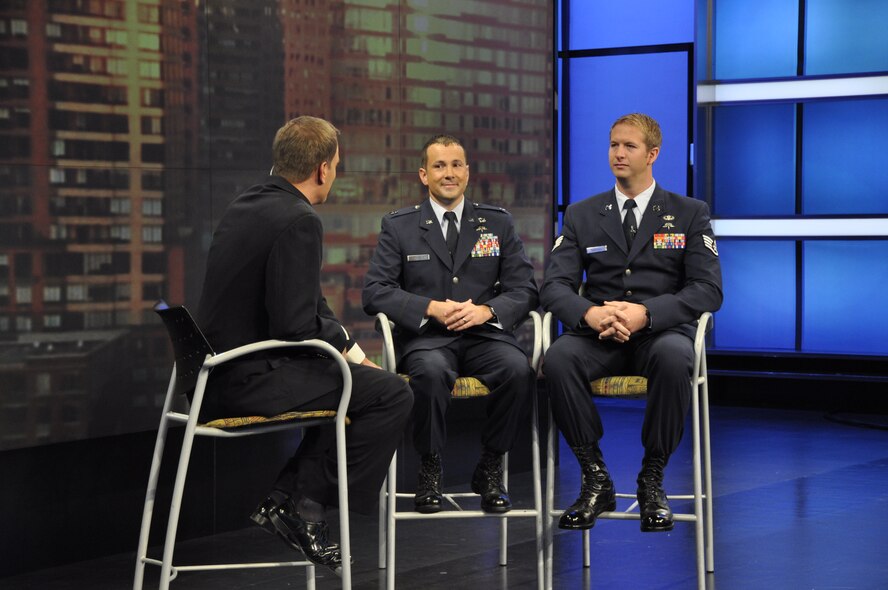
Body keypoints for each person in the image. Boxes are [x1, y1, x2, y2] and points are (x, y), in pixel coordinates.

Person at [196, 116, 413, 571]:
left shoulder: (248, 203)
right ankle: (304, 505)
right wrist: (351, 364)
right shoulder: (299, 220)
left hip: (213, 376)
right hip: (247, 381)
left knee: (344, 379)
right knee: (391, 393)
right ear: (322, 170)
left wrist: (353, 355)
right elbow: (296, 326)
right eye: (336, 164)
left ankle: (287, 501)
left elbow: (312, 305)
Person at [540, 113, 722, 533]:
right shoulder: (583, 215)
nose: (618, 153)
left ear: (652, 154)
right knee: (558, 358)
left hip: (659, 335)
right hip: (599, 335)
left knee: (677, 357)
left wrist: (647, 313)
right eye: (613, 145)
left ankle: (652, 478)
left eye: (629, 146)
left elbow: (707, 289)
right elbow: (554, 287)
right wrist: (590, 313)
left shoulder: (690, 213)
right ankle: (595, 476)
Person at [362, 134, 539, 514]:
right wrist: (430, 308)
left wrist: (487, 312)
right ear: (424, 175)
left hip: (484, 336)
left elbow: (525, 289)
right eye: (440, 166)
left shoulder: (497, 223)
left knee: (518, 370)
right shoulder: (400, 226)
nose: (449, 173)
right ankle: (430, 468)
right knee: (428, 373)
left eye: (456, 165)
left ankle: (490, 467)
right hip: (428, 341)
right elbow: (375, 292)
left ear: (468, 172)